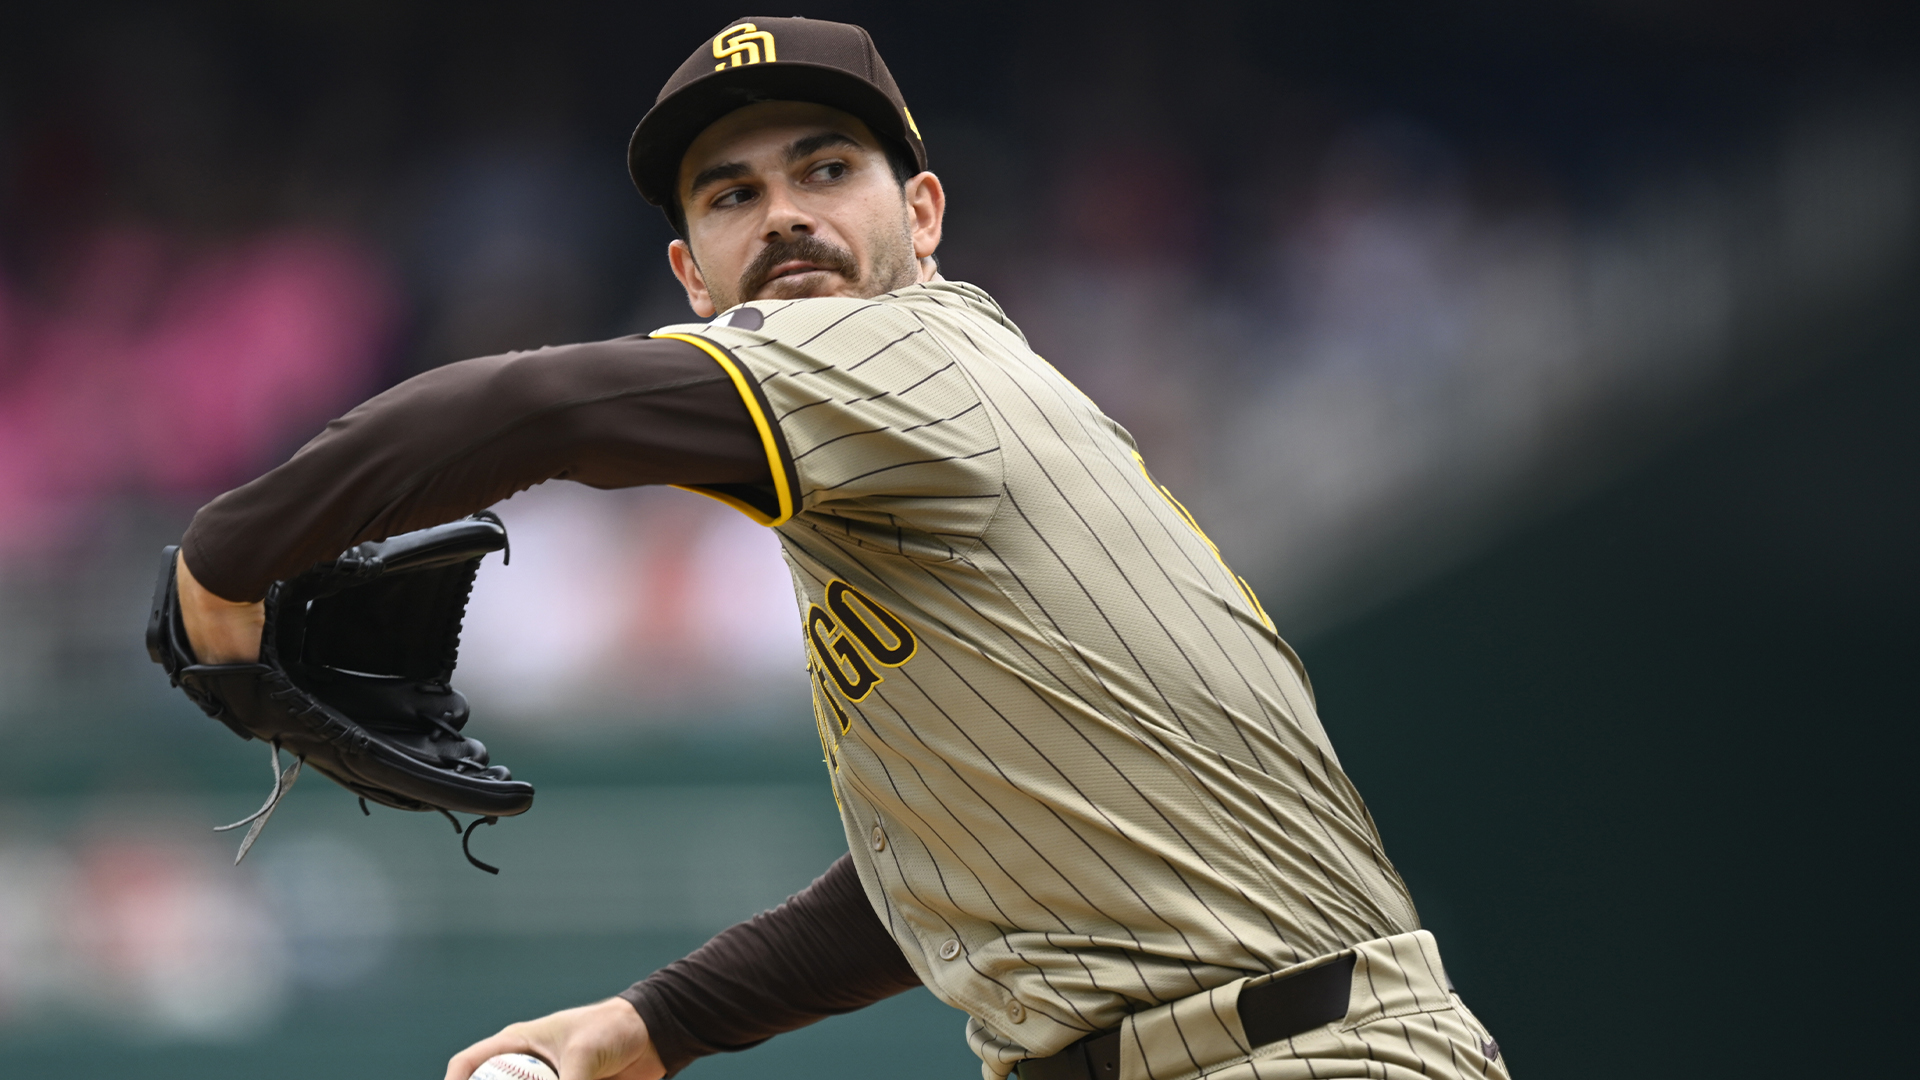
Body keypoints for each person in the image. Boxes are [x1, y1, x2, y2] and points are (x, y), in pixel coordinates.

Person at [174, 16, 1510, 1080]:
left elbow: (539, 409)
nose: (786, 215)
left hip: (1298, 1052)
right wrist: (656, 1025)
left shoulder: (909, 354)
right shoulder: (880, 487)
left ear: (921, 216)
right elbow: (953, 871)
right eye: (733, 192)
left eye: (827, 169)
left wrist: (222, 562)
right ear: (693, 279)